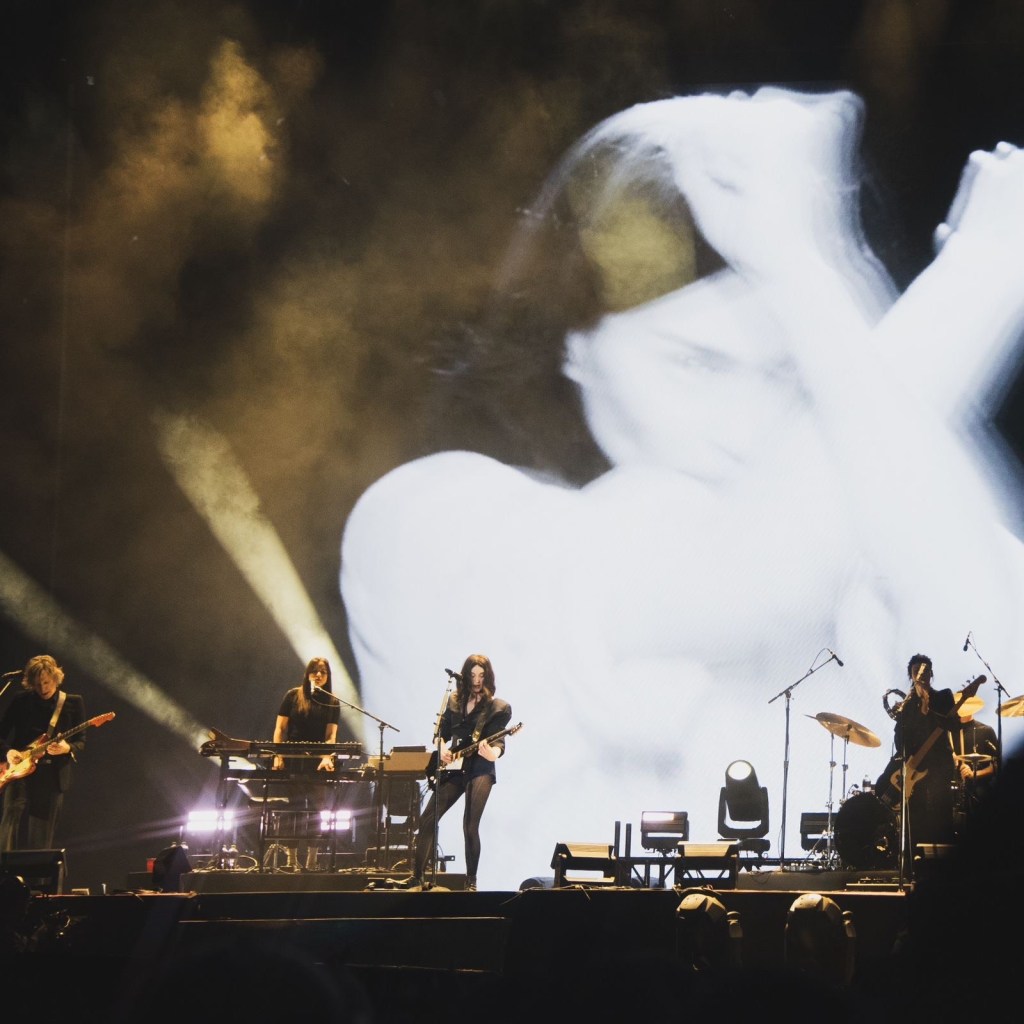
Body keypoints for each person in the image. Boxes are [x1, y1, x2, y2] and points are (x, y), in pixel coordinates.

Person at [340, 86, 1024, 886]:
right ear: (577, 343)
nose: (744, 420)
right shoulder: (433, 523)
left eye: (788, 373)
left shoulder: (877, 538)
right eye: (694, 363)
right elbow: (749, 575)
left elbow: (1004, 690)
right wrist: (971, 276)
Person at [411, 654, 511, 891]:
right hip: (455, 767)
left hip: (480, 768)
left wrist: (493, 754)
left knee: (469, 825)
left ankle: (471, 881)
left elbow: (499, 742)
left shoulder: (498, 707)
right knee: (427, 819)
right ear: (465, 676)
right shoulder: (454, 701)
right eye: (473, 675)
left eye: (481, 675)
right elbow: (442, 734)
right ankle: (416, 878)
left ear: (488, 677)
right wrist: (443, 750)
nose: (477, 680)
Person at [877, 654, 983, 858]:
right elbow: (900, 740)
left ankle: (941, 865)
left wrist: (929, 706)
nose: (920, 675)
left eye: (925, 672)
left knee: (939, 811)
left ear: (931, 674)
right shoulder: (907, 705)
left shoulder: (943, 696)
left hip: (938, 765)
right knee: (912, 813)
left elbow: (952, 726)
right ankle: (909, 860)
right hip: (914, 766)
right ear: (911, 676)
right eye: (916, 672)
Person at [0, 654, 86, 851]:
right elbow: (1, 735)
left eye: (46, 682)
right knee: (8, 824)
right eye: (37, 684)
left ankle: (37, 881)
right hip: (18, 771)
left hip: (51, 776)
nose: (43, 688)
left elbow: (81, 741)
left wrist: (67, 748)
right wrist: (8, 751)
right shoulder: (20, 701)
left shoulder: (73, 702)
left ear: (56, 678)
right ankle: (3, 875)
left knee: (41, 837)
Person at [270, 657, 341, 870]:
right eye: (314, 671)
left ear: (328, 677)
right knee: (293, 808)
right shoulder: (293, 696)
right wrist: (278, 755)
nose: (318, 675)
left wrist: (327, 756)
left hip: (317, 761)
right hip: (292, 758)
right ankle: (291, 859)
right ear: (307, 674)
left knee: (317, 810)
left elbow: (330, 735)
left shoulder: (332, 701)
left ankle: (312, 858)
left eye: (323, 672)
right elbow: (280, 729)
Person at [949, 691, 1000, 834]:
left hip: (978, 787)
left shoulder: (985, 731)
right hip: (951, 787)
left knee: (981, 795)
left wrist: (974, 774)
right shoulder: (948, 733)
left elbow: (997, 765)